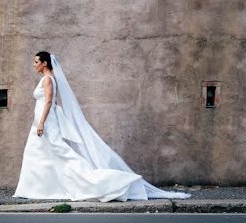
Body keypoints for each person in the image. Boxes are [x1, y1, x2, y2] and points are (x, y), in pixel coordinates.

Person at [13, 51, 190, 202]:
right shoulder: (46, 78)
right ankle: (36, 189)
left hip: (46, 122)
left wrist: (42, 122)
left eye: (36, 62)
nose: (34, 65)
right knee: (39, 154)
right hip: (41, 122)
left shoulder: (48, 80)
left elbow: (49, 101)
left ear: (44, 63)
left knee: (62, 154)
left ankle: (105, 183)